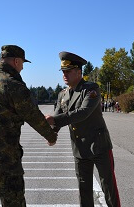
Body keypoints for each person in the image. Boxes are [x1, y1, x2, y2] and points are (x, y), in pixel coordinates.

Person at [0, 45, 57, 207]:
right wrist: (51, 136)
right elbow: (33, 116)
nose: (22, 67)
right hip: (6, 160)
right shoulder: (13, 85)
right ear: (16, 61)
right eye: (22, 63)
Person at [45, 51, 121, 207]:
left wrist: (55, 119)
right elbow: (57, 119)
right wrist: (51, 134)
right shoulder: (63, 94)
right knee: (83, 189)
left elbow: (83, 113)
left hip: (99, 146)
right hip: (80, 149)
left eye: (68, 71)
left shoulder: (91, 89)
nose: (64, 75)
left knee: (109, 188)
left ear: (78, 72)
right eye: (63, 72)